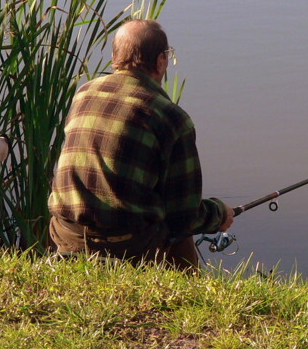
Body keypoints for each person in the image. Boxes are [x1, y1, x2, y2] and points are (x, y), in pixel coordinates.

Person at [47, 19, 234, 269]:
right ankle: (188, 295)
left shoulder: (84, 93)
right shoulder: (172, 118)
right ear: (160, 61)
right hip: (125, 243)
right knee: (177, 230)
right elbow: (184, 216)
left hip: (65, 232)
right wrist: (219, 213)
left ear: (115, 57)